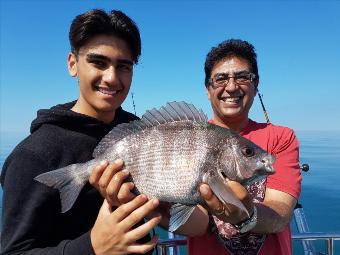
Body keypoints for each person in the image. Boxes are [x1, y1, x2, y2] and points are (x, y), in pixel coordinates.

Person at [0, 9, 161, 255]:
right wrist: (91, 247)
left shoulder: (140, 132)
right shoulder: (33, 156)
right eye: (98, 62)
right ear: (73, 64)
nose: (112, 78)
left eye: (123, 66)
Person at [185, 39, 302, 255]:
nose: (231, 87)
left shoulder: (281, 138)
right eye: (220, 79)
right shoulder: (190, 139)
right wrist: (159, 208)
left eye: (242, 77)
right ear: (208, 89)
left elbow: (280, 214)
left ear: (256, 85)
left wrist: (247, 214)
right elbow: (195, 223)